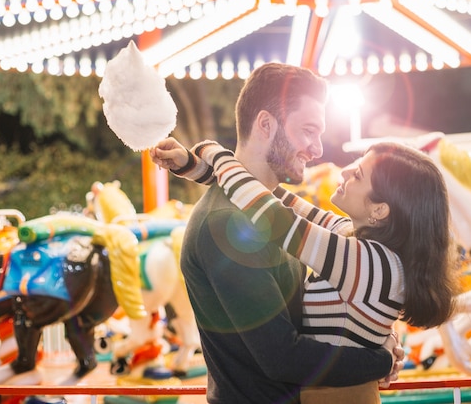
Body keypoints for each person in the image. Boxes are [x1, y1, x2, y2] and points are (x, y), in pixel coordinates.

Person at [150, 62, 403, 404]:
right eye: (309, 130)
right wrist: (379, 360)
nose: (317, 149)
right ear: (266, 125)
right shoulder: (228, 226)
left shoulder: (264, 211)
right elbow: (283, 357)